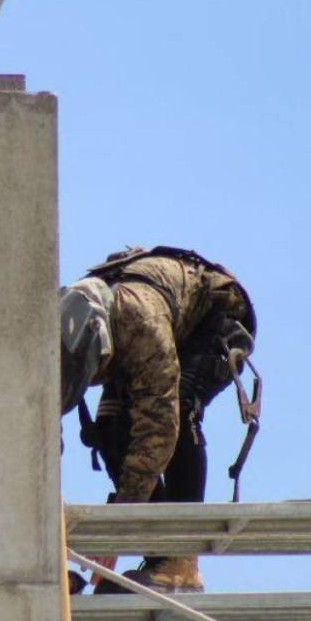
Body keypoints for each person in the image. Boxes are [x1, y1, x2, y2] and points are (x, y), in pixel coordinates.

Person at [60, 246, 256, 595]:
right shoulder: (53, 339)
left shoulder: (142, 325)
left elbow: (159, 430)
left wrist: (118, 523)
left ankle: (180, 561)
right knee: (110, 428)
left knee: (178, 406)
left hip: (216, 317)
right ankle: (157, 558)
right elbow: (35, 437)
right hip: (134, 330)